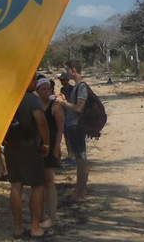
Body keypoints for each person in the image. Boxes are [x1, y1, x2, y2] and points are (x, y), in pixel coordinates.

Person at [5, 71, 50, 239]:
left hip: (11, 147)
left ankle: (17, 228)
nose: (35, 83)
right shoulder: (31, 99)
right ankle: (35, 228)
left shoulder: (8, 97)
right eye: (33, 79)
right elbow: (41, 122)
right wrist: (46, 143)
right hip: (30, 147)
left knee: (16, 186)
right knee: (37, 186)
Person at [56, 59, 89, 202]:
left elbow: (78, 108)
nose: (67, 73)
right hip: (74, 126)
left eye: (68, 70)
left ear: (73, 70)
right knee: (79, 158)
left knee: (81, 159)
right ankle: (78, 190)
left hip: (77, 126)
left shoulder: (81, 86)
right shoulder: (77, 86)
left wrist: (63, 103)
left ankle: (80, 193)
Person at [35, 77, 64, 227]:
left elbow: (60, 128)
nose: (46, 92)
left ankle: (51, 216)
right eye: (43, 89)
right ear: (38, 90)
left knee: (48, 181)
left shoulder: (55, 106)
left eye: (48, 89)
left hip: (51, 145)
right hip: (36, 147)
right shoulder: (34, 105)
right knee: (37, 182)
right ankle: (39, 215)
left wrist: (56, 146)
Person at [57, 70, 75, 164]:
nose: (62, 82)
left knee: (71, 135)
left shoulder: (72, 89)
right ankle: (69, 154)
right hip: (64, 114)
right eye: (61, 80)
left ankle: (73, 154)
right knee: (66, 136)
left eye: (63, 80)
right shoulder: (62, 90)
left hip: (71, 114)